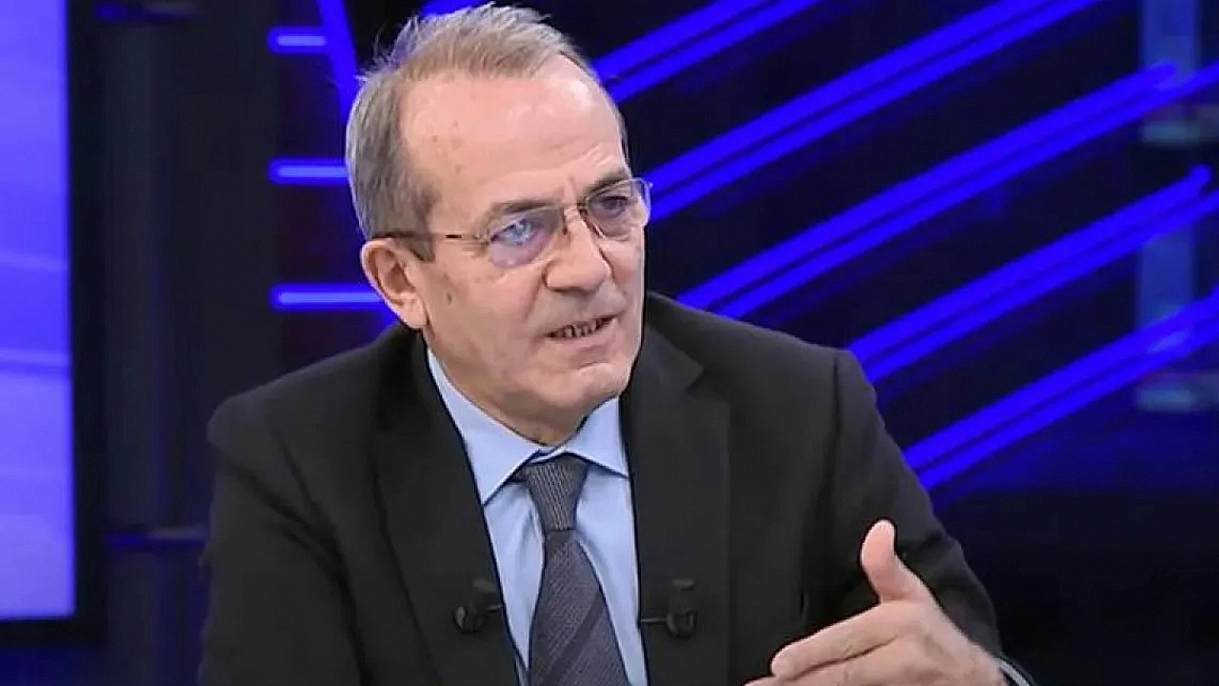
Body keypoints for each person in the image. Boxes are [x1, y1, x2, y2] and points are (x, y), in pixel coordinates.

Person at [199, 4, 1034, 685]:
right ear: (400, 280)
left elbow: (960, 658)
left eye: (608, 205)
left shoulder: (801, 410)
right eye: (519, 229)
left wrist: (972, 681)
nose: (588, 267)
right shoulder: (299, 464)